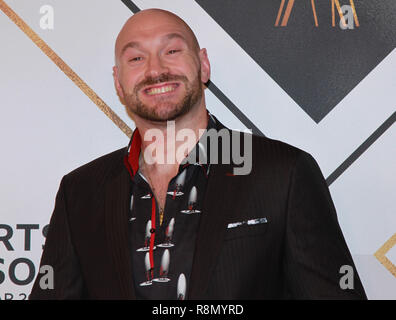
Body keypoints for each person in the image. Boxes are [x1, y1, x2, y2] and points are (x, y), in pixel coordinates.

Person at [30, 8, 367, 300]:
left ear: (203, 65)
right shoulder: (80, 192)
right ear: (118, 83)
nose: (156, 69)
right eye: (136, 58)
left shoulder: (283, 173)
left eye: (172, 50)